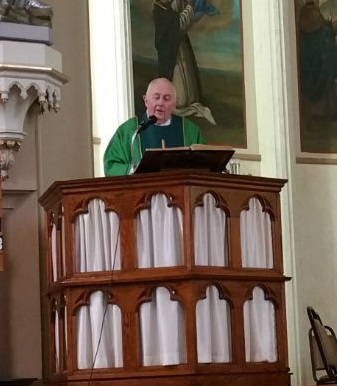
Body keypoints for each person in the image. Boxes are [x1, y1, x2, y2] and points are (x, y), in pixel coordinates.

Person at [103, 77, 205, 176]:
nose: (160, 103)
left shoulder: (191, 131)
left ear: (175, 104)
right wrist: (133, 170)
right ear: (146, 100)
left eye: (166, 98)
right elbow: (111, 165)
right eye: (156, 97)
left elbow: (204, 165)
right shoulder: (129, 131)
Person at [153, 0, 218, 125]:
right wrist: (190, 8)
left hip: (178, 44)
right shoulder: (161, 7)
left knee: (187, 81)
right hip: (171, 48)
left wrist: (192, 9)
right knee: (180, 97)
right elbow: (178, 25)